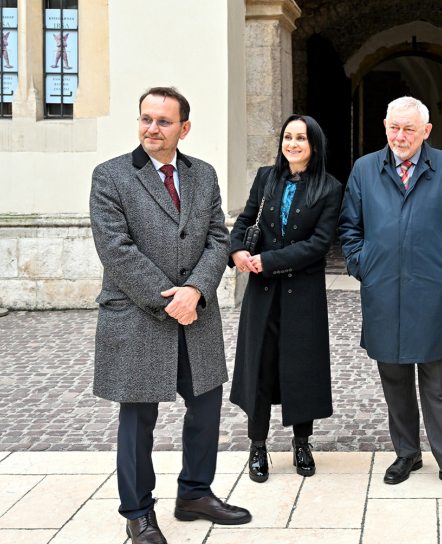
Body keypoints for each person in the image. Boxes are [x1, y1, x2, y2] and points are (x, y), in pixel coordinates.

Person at [90, 87, 251, 544]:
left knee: (205, 406)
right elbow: (115, 250)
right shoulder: (111, 176)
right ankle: (138, 512)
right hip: (139, 316)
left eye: (163, 121)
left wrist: (196, 291)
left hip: (197, 315)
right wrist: (170, 301)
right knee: (137, 417)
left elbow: (218, 238)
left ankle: (196, 493)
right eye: (145, 119)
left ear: (184, 128)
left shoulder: (204, 175)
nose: (152, 129)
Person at [337, 96, 442, 497]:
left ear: (426, 132)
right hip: (381, 289)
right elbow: (350, 227)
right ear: (385, 126)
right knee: (393, 377)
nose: (400, 136)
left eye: (409, 129)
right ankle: (406, 453)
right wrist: (361, 264)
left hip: (432, 290)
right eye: (394, 128)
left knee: (438, 382)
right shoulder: (366, 169)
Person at [229, 114, 343, 483]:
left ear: (314, 145)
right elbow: (245, 222)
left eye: (301, 138)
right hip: (262, 293)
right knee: (259, 365)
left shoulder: (328, 187)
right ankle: (257, 447)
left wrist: (269, 260)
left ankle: (301, 442)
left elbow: (319, 244)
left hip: (302, 292)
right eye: (288, 137)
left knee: (301, 368)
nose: (292, 144)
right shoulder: (267, 177)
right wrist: (237, 252)